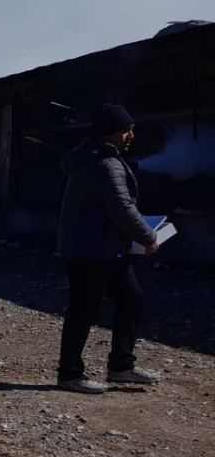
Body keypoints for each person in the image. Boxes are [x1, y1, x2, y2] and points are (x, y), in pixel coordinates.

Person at [55, 103, 160, 394]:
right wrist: (148, 236)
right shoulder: (103, 164)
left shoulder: (102, 158)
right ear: (109, 134)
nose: (131, 136)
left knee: (131, 300)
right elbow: (122, 208)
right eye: (126, 131)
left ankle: (121, 367)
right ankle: (70, 375)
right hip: (88, 250)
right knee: (83, 311)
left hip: (107, 249)